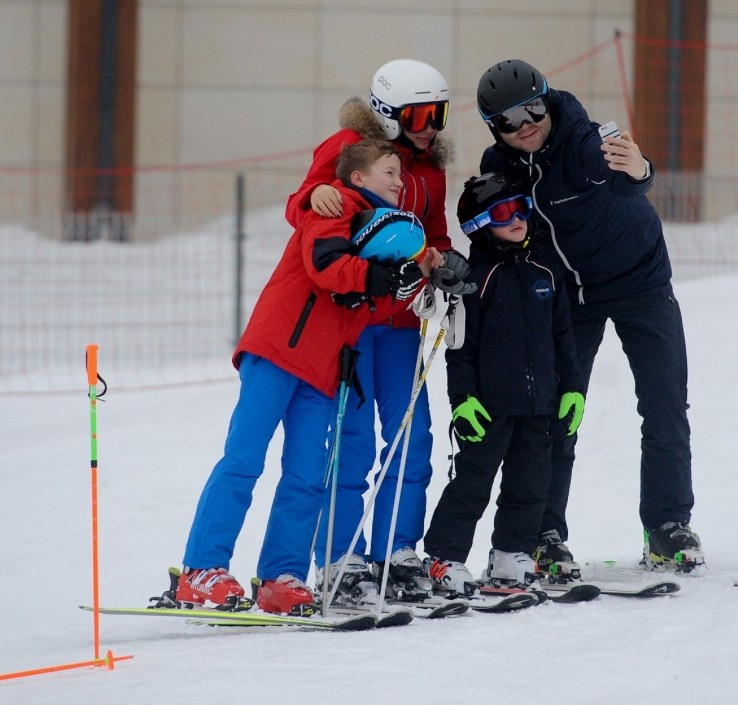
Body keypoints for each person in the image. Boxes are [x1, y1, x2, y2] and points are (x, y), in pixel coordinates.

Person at [177, 139, 440, 614]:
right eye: (389, 171)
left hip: (322, 373)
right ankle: (200, 569)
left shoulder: (386, 233)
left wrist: (420, 273)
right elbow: (326, 266)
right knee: (244, 459)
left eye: (401, 174)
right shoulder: (335, 204)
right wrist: (374, 277)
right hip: (279, 350)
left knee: (306, 477)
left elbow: (369, 303)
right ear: (358, 177)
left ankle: (282, 575)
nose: (399, 181)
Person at [475, 59, 704, 574]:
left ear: (548, 99)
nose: (525, 124)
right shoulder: (501, 164)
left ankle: (667, 525)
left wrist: (639, 167)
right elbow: (492, 226)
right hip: (567, 298)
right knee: (554, 414)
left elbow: (628, 180)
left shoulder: (585, 139)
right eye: (508, 120)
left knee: (664, 403)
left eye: (532, 108)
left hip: (639, 282)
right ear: (495, 128)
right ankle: (544, 533)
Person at [286, 59, 472, 602]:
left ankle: (396, 550)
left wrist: (447, 261)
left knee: (413, 436)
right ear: (389, 111)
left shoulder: (430, 171)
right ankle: (341, 560)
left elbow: (432, 234)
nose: (429, 124)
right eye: (418, 113)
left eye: (436, 113)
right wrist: (309, 198)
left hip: (401, 320)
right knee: (354, 439)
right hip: (352, 320)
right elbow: (307, 207)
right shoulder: (348, 147)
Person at [422, 172, 585, 595]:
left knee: (531, 484)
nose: (516, 219)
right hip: (489, 406)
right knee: (471, 484)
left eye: (521, 209)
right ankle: (444, 557)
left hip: (541, 405)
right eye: (502, 213)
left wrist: (572, 389)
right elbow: (460, 349)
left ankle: (511, 553)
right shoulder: (475, 280)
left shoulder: (546, 271)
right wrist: (463, 400)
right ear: (478, 225)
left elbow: (564, 339)